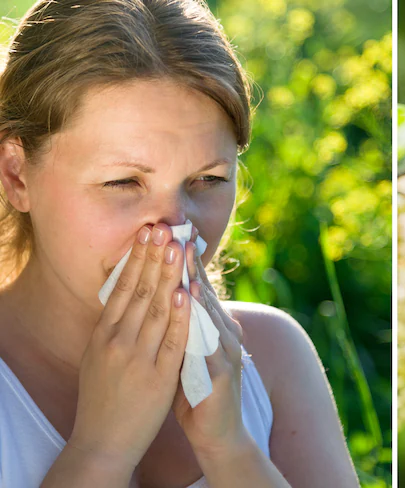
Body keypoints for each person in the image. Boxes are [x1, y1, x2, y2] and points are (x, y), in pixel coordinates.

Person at [0, 1, 361, 487]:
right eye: (123, 182)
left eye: (208, 180)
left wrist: (229, 448)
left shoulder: (273, 356)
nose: (173, 229)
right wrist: (100, 452)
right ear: (16, 174)